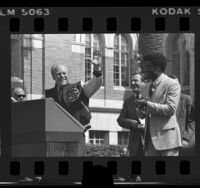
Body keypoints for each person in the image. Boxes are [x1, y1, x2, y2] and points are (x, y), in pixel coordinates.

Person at [136, 52, 182, 156]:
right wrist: (139, 107)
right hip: (149, 142)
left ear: (158, 67)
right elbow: (142, 115)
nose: (145, 70)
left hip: (168, 141)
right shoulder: (146, 87)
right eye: (145, 66)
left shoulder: (172, 84)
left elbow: (170, 109)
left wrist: (147, 104)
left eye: (148, 67)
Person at [45, 56, 102, 132]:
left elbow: (95, 84)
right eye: (58, 74)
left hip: (77, 133)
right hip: (56, 133)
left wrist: (97, 69)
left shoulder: (79, 87)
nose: (62, 76)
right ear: (53, 77)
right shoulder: (47, 94)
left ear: (68, 74)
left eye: (64, 73)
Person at [117, 73, 146, 156]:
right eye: (131, 81)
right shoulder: (128, 101)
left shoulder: (152, 99)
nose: (132, 83)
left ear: (144, 83)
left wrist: (144, 126)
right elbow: (120, 120)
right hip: (134, 147)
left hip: (151, 144)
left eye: (135, 81)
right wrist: (131, 122)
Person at [168, 75, 194, 148]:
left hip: (180, 140)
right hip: (165, 141)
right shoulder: (161, 101)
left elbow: (191, 121)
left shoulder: (186, 99)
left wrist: (186, 138)